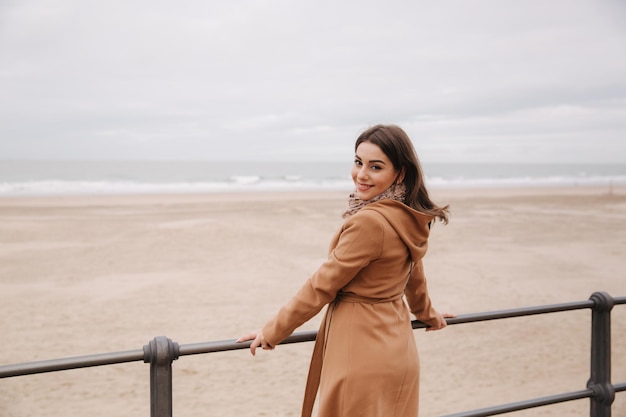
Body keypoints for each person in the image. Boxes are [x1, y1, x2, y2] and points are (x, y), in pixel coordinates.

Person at [237, 124, 454, 417]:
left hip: (360, 351)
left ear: (400, 173)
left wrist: (273, 331)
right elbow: (413, 275)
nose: (361, 175)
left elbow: (322, 285)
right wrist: (429, 315)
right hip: (399, 348)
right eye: (358, 162)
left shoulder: (370, 223)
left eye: (375, 167)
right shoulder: (407, 217)